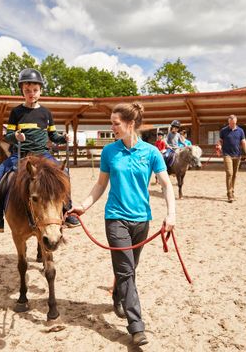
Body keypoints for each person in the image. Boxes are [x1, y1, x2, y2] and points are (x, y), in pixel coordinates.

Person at [69, 102, 176, 346]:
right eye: (112, 123)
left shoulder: (151, 152)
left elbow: (167, 185)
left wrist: (172, 215)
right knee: (126, 271)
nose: (112, 128)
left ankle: (118, 294)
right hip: (115, 218)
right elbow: (100, 185)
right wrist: (84, 206)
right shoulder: (109, 152)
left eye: (116, 124)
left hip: (142, 221)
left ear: (130, 124)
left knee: (128, 269)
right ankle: (136, 326)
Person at [0, 68, 80, 234]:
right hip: (20, 155)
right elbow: (8, 136)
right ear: (22, 92)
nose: (31, 94)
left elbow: (53, 135)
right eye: (27, 91)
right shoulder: (16, 112)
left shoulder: (46, 113)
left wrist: (64, 138)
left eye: (35, 90)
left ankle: (67, 212)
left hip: (42, 154)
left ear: (41, 91)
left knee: (64, 173)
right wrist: (15, 135)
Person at [215, 114, 246, 203]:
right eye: (230, 123)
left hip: (237, 155)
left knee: (234, 175)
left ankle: (232, 191)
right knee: (229, 173)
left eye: (233, 123)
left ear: (236, 122)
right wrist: (219, 145)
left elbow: (244, 142)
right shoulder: (223, 131)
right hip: (227, 154)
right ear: (228, 122)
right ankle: (229, 194)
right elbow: (220, 140)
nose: (232, 125)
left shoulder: (240, 131)